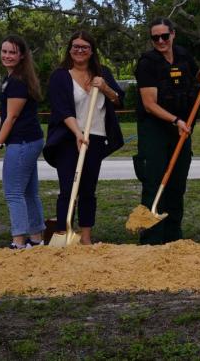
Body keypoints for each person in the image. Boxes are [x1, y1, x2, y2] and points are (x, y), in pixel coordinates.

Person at [133, 18, 200, 245]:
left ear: (173, 35)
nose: (160, 41)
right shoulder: (147, 63)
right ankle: (152, 239)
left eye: (164, 36)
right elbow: (149, 104)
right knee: (155, 182)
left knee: (177, 184)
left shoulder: (183, 55)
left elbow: (196, 74)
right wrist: (175, 120)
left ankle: (173, 236)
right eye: (155, 37)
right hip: (156, 131)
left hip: (181, 130)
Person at [43, 30, 125, 245]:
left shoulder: (103, 73)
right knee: (69, 189)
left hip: (96, 138)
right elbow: (61, 110)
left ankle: (86, 237)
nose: (80, 50)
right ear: (70, 49)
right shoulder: (60, 75)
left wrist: (105, 87)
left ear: (91, 51)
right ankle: (64, 232)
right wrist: (78, 133)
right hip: (69, 139)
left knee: (88, 189)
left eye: (85, 47)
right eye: (76, 46)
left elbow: (118, 100)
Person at [0, 35, 46, 249]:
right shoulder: (11, 79)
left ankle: (19, 241)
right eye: (4, 51)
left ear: (21, 55)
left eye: (12, 52)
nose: (7, 56)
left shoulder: (17, 82)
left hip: (23, 142)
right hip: (29, 140)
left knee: (13, 192)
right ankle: (37, 239)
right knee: (29, 192)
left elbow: (11, 117)